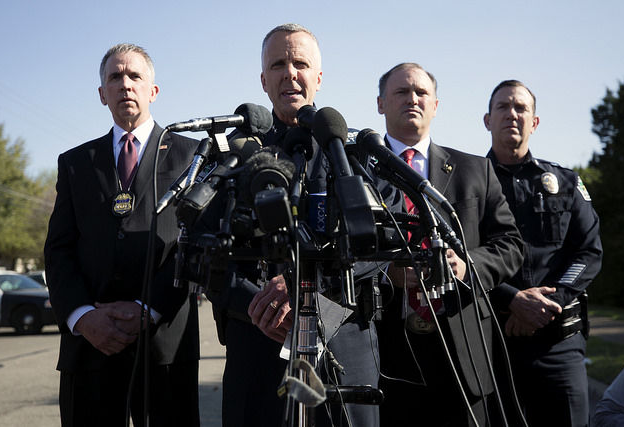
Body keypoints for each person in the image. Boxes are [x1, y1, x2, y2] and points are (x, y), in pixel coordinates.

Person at [202, 24, 396, 427]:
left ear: (318, 78)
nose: (290, 73)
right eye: (278, 64)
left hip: (344, 343)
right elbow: (204, 253)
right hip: (258, 344)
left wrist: (307, 291)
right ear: (263, 80)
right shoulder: (233, 155)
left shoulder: (353, 151)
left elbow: (385, 239)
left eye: (300, 63)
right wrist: (261, 304)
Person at [44, 43, 200, 427]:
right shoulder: (76, 163)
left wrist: (148, 308)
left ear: (153, 91)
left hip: (164, 345)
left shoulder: (192, 155)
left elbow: (195, 246)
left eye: (135, 76)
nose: (125, 84)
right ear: (102, 94)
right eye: (115, 77)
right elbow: (59, 250)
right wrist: (81, 317)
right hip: (89, 346)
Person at [374, 63, 524, 426]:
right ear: (380, 104)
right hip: (385, 353)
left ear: (436, 104)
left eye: (421, 92)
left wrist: (465, 265)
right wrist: (385, 273)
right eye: (401, 92)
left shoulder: (475, 170)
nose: (412, 99)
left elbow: (511, 245)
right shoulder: (355, 171)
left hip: (462, 351)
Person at [484, 80, 603, 427]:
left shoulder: (564, 182)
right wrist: (512, 299)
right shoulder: (469, 184)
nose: (512, 114)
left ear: (534, 122)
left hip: (558, 344)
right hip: (495, 344)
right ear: (487, 120)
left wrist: (547, 306)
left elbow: (588, 251)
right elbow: (465, 257)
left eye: (521, 108)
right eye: (503, 107)